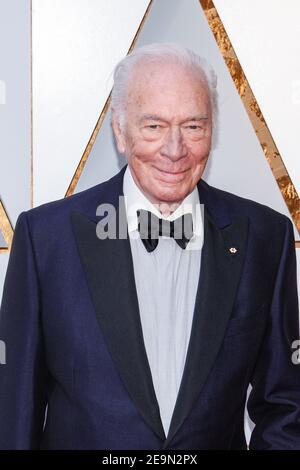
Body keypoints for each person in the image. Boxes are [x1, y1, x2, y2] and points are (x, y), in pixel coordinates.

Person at [0, 43, 299, 450]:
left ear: (212, 128)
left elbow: (286, 403)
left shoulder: (266, 236)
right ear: (120, 131)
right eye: (154, 126)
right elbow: (14, 410)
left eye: (193, 126)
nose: (174, 151)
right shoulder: (45, 239)